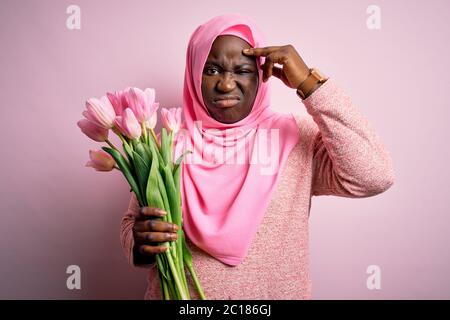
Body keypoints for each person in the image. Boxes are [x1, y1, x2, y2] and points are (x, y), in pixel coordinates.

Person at [120, 13, 395, 299]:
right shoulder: (165, 143)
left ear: (261, 76)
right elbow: (132, 225)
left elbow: (374, 176)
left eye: (242, 70)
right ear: (193, 72)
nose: (226, 84)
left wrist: (310, 85)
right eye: (212, 70)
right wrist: (140, 243)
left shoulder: (295, 138)